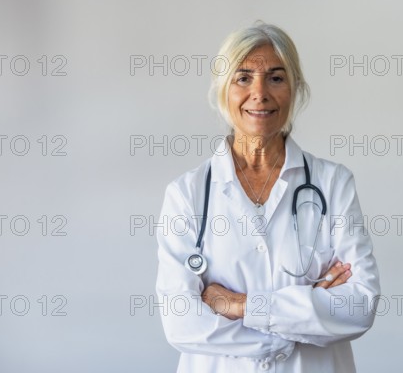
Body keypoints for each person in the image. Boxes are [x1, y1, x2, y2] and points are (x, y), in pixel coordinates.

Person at [155, 22, 380, 373]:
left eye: (276, 78)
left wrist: (241, 306)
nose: (259, 93)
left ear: (295, 88)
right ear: (222, 89)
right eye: (243, 78)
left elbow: (359, 308)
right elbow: (181, 322)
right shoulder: (187, 194)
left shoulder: (333, 184)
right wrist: (302, 319)